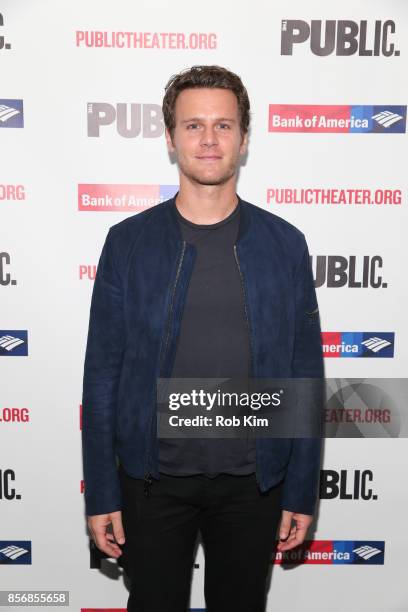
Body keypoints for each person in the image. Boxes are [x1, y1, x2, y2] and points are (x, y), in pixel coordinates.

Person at [82, 65, 324, 612]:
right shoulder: (127, 244)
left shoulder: (285, 244)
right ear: (170, 138)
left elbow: (303, 373)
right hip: (152, 482)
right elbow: (102, 378)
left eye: (223, 125)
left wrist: (299, 489)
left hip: (252, 485)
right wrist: (101, 491)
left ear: (244, 137)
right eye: (193, 126)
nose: (209, 139)